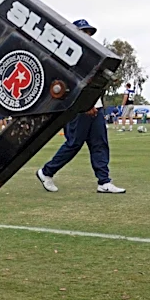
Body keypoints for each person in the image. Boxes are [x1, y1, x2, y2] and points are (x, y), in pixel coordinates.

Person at [36, 19, 126, 194]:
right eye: (84, 32)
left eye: (89, 33)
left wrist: (96, 102)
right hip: (78, 108)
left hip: (95, 106)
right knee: (73, 144)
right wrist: (87, 104)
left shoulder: (92, 56)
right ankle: (46, 172)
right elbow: (72, 84)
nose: (88, 36)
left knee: (100, 143)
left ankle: (104, 181)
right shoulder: (68, 56)